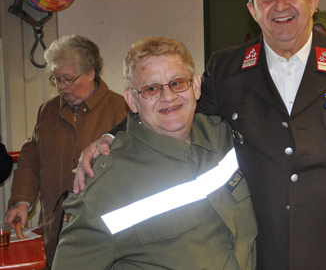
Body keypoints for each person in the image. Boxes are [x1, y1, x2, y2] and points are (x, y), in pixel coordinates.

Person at [75, 0, 326, 270]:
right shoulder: (228, 68)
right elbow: (171, 106)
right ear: (252, 9)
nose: (280, 5)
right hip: (264, 246)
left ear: (313, 2)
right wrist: (110, 136)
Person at [52, 37, 256, 270]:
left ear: (196, 86)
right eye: (151, 89)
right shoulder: (104, 191)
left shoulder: (225, 138)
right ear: (132, 100)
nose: (168, 96)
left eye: (177, 83)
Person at [4, 34, 129, 267]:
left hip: (103, 234)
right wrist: (21, 202)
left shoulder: (121, 110)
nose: (62, 87)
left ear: (91, 73)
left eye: (69, 79)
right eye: (57, 79)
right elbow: (30, 162)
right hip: (56, 230)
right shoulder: (47, 112)